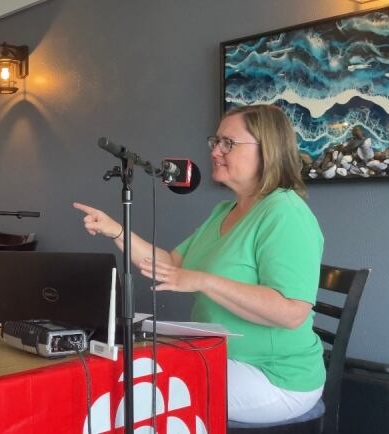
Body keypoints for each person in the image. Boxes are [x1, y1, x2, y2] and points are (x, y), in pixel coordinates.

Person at [74, 104, 324, 424]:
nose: (216, 151)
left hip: (275, 377)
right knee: (129, 383)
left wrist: (203, 281)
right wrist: (117, 231)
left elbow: (291, 312)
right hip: (219, 357)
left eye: (228, 143)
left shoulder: (285, 213)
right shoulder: (224, 211)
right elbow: (167, 265)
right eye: (215, 142)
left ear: (268, 150)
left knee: (148, 397)